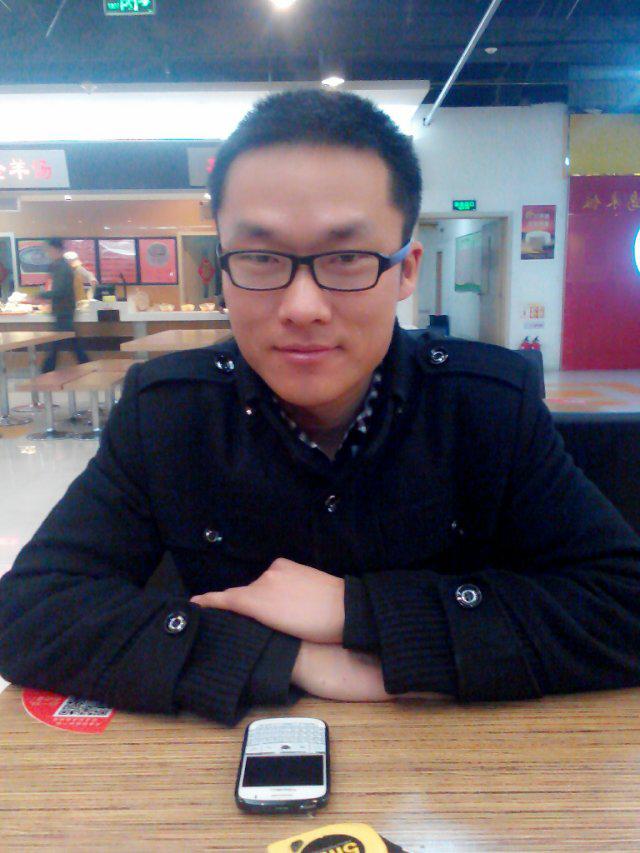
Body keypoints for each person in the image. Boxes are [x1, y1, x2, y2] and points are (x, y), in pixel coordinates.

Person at [0, 90, 639, 726]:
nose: (302, 307)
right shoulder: (165, 414)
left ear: (406, 270)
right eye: (259, 257)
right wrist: (287, 659)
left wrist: (356, 611)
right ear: (223, 271)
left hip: (461, 769)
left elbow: (624, 603)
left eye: (347, 258)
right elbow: (27, 612)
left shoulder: (488, 406)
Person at [39, 238, 90, 372]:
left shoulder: (62, 267)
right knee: (69, 344)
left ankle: (45, 373)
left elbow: (60, 291)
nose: (47, 252)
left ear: (55, 249)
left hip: (63, 312)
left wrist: (40, 296)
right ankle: (88, 367)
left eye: (48, 249)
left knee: (58, 345)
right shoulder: (60, 266)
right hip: (64, 311)